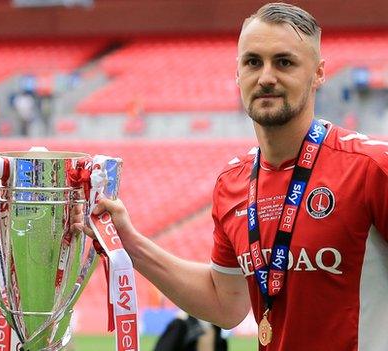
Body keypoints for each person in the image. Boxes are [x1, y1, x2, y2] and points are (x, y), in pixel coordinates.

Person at [75, 3, 388, 350]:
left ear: (318, 73)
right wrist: (129, 242)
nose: (266, 76)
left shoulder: (371, 168)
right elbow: (225, 304)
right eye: (253, 62)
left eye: (284, 62)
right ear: (238, 74)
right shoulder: (234, 182)